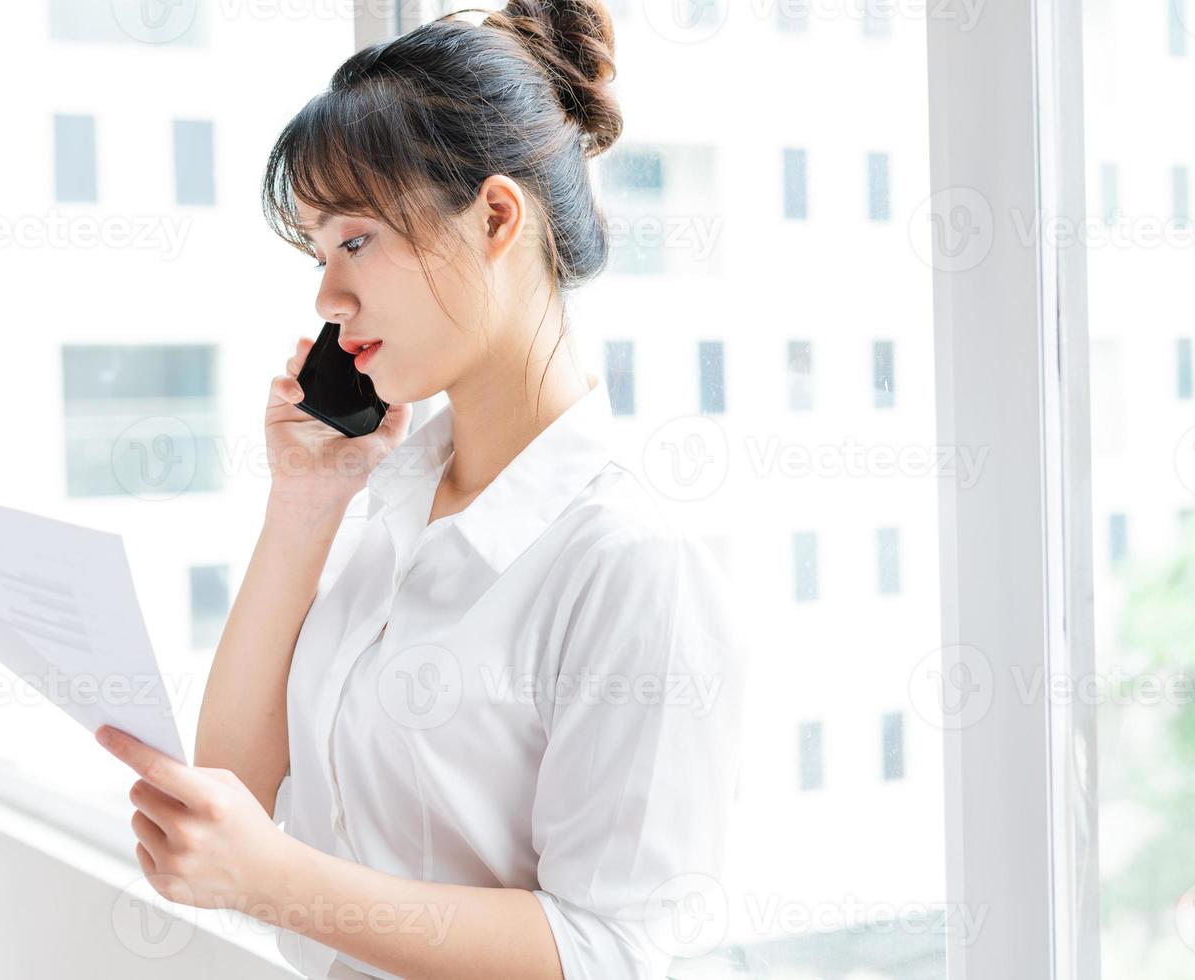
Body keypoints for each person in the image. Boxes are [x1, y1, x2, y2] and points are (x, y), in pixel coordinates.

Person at [96, 0, 745, 975]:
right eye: (319, 254)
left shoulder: (629, 561)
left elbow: (606, 949)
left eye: (355, 241)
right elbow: (234, 783)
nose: (328, 297)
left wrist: (276, 879)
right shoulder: (395, 494)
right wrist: (303, 504)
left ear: (494, 217)